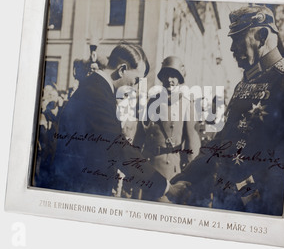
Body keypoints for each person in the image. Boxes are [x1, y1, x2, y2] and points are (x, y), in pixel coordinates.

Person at [170, 5, 284, 216]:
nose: (231, 48)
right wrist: (185, 178)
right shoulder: (244, 83)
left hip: (258, 208)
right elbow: (223, 141)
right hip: (226, 201)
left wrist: (248, 193)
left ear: (262, 36)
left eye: (237, 39)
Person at [34, 42, 189, 201]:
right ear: (121, 70)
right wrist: (167, 188)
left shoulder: (97, 88)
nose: (134, 87)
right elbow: (118, 149)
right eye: (135, 80)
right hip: (80, 190)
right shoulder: (97, 95)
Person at [133, 56, 201, 201]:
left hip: (169, 170)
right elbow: (140, 135)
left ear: (179, 79)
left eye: (174, 76)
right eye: (166, 75)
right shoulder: (152, 101)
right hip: (148, 165)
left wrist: (190, 175)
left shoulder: (187, 104)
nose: (169, 80)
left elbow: (192, 145)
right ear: (161, 78)